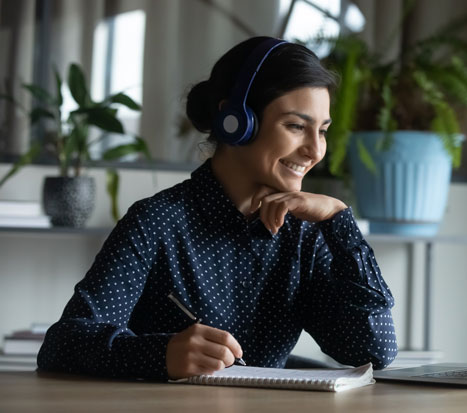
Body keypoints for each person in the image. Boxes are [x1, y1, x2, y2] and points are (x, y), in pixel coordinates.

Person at [37, 36, 398, 380]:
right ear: (236, 122)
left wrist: (339, 219)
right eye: (295, 126)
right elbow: (62, 345)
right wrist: (161, 354)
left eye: (322, 131)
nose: (315, 150)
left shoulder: (305, 233)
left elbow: (375, 350)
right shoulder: (157, 221)